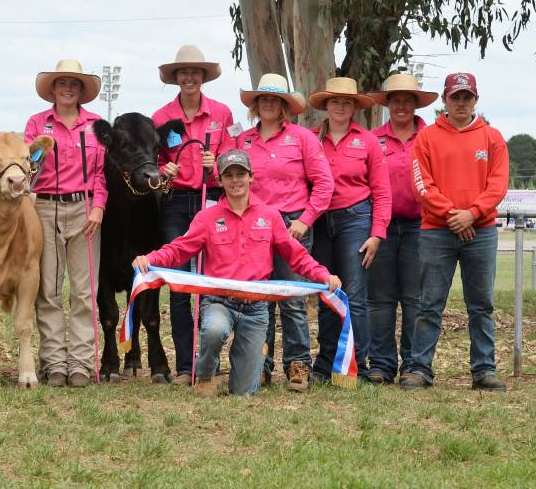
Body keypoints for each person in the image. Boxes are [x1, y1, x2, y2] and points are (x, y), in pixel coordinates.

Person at [132, 150, 341, 396]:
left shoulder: (270, 217)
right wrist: (151, 258)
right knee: (213, 330)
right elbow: (180, 248)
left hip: (255, 309)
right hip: (219, 301)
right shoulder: (207, 218)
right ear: (219, 181)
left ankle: (238, 367)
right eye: (229, 175)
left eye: (241, 174)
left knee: (243, 391)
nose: (235, 181)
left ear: (251, 177)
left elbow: (297, 255)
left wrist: (324, 276)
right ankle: (207, 374)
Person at [401, 72, 509, 391]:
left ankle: (484, 370)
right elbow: (422, 184)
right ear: (445, 100)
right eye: (455, 97)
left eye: (467, 97)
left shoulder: (492, 137)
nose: (461, 103)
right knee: (429, 303)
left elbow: (498, 184)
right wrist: (452, 215)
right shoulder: (427, 138)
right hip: (437, 230)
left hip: (481, 231)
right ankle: (420, 369)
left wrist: (472, 214)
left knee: (481, 304)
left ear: (476, 99)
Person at [235, 74, 334, 392]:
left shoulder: (303, 138)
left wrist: (305, 221)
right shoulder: (244, 142)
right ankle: (259, 364)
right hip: (255, 226)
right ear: (255, 105)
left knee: (291, 299)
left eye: (274, 99)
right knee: (258, 298)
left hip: (293, 225)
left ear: (283, 106)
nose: (267, 103)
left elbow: (324, 183)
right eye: (262, 98)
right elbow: (232, 183)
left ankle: (298, 365)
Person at [151, 44, 235, 385]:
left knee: (211, 277)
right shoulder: (160, 118)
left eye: (195, 72)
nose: (189, 77)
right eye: (183, 72)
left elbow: (233, 160)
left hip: (211, 199)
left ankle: (209, 362)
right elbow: (151, 166)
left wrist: (216, 166)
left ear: (203, 78)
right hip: (175, 201)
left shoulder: (221, 113)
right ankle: (186, 365)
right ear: (176, 78)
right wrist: (162, 169)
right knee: (181, 283)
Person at [24, 59, 107, 388]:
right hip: (45, 207)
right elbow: (29, 167)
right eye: (62, 83)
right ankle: (55, 362)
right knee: (49, 290)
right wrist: (36, 155)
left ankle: (82, 364)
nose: (68, 89)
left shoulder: (96, 124)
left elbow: (101, 173)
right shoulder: (36, 123)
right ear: (53, 90)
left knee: (85, 292)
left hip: (85, 208)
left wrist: (98, 206)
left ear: (82, 90)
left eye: (74, 83)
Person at [306, 77, 391, 385]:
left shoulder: (367, 141)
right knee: (328, 291)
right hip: (320, 219)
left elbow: (382, 190)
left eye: (347, 102)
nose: (341, 107)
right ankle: (324, 363)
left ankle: (358, 364)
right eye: (335, 101)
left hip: (356, 218)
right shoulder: (311, 139)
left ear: (354, 107)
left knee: (353, 294)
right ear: (326, 106)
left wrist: (377, 232)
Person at [364, 72, 438, 384]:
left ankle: (413, 364)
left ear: (416, 105)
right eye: (396, 100)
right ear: (388, 104)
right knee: (380, 299)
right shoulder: (373, 138)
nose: (401, 105)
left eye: (408, 100)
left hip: (420, 225)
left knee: (414, 298)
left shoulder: (431, 137)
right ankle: (381, 363)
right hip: (381, 225)